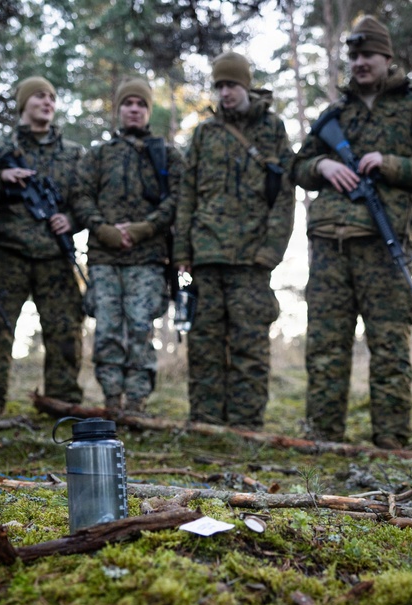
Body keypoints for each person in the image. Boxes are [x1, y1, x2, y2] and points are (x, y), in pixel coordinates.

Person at [292, 16, 412, 449]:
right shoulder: (335, 114)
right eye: (355, 56)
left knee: (389, 347)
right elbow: (299, 166)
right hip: (329, 245)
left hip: (384, 247)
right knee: (325, 347)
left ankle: (391, 441)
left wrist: (391, 163)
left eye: (369, 55)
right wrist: (322, 165)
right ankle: (322, 437)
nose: (361, 63)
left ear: (388, 58)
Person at [172, 52, 294, 429]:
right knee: (204, 342)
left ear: (246, 86)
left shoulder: (272, 129)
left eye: (232, 85)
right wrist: (182, 251)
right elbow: (187, 193)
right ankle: (206, 422)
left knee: (250, 343)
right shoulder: (204, 133)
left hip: (251, 259)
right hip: (205, 256)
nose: (226, 93)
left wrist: (271, 250)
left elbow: (285, 193)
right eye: (220, 86)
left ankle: (245, 425)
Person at [0, 76, 85, 419]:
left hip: (54, 255)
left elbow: (84, 199)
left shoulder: (72, 153)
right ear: (24, 104)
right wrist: (0, 177)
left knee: (65, 332)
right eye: (39, 96)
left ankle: (63, 403)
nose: (47, 102)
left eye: (52, 97)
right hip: (8, 252)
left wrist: (71, 219)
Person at [72, 77, 182, 413]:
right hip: (105, 258)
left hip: (148, 258)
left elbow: (178, 198)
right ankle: (110, 400)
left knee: (139, 327)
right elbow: (80, 195)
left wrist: (145, 228)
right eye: (128, 104)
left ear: (148, 111)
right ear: (118, 110)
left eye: (141, 104)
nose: (134, 110)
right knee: (106, 329)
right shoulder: (98, 156)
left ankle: (136, 402)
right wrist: (102, 229)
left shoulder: (165, 156)